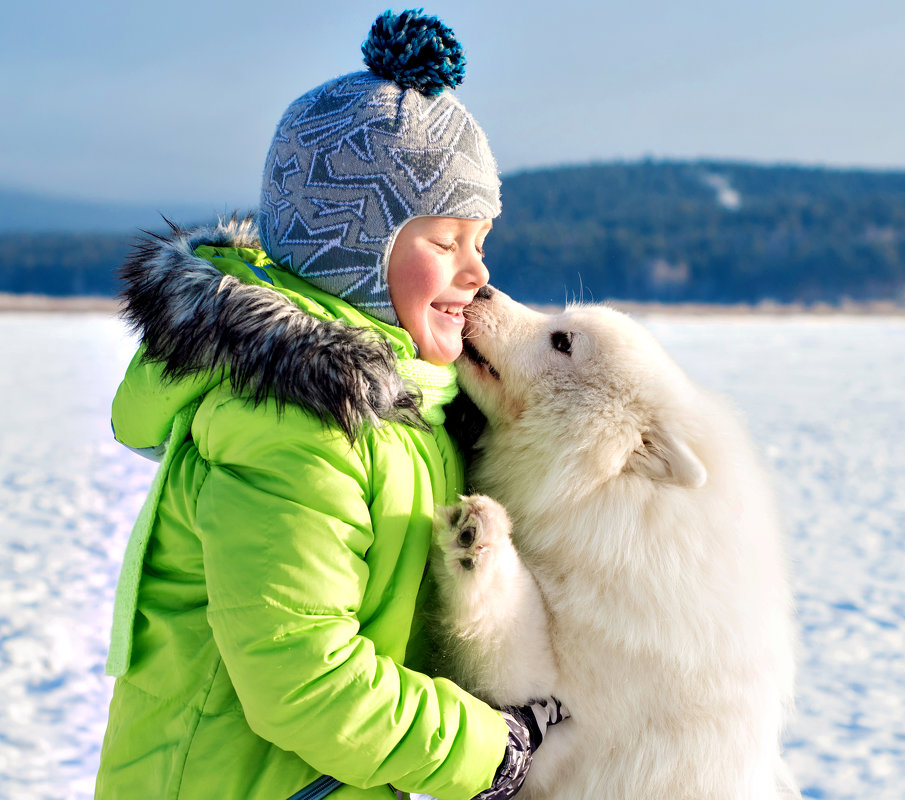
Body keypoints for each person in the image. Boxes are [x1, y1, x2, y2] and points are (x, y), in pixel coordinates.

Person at [96, 10, 565, 800]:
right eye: (445, 241)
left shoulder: (407, 410)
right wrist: (490, 752)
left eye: (481, 239)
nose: (476, 271)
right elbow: (305, 680)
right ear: (352, 247)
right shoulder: (295, 426)